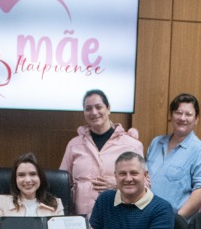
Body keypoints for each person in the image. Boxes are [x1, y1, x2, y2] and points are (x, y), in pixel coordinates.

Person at [88, 152, 175, 229]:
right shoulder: (104, 199)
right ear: (115, 176)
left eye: (134, 173)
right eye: (122, 173)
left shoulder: (162, 208)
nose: (128, 179)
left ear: (145, 175)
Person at [59, 89, 142, 217]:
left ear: (108, 109)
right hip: (81, 220)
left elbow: (145, 185)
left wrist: (118, 183)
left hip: (119, 219)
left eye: (98, 107)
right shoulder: (74, 145)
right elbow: (62, 184)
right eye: (88, 108)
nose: (94, 112)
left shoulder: (131, 145)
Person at [145, 93, 201, 218]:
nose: (182, 118)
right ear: (171, 115)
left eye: (188, 114)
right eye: (178, 112)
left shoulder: (200, 151)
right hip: (147, 218)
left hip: (176, 225)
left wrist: (176, 220)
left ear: (196, 119)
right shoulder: (156, 143)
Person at [0, 153, 64, 229]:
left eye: (33, 174)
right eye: (21, 175)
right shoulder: (2, 201)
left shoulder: (56, 204)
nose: (27, 180)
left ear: (40, 177)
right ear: (15, 179)